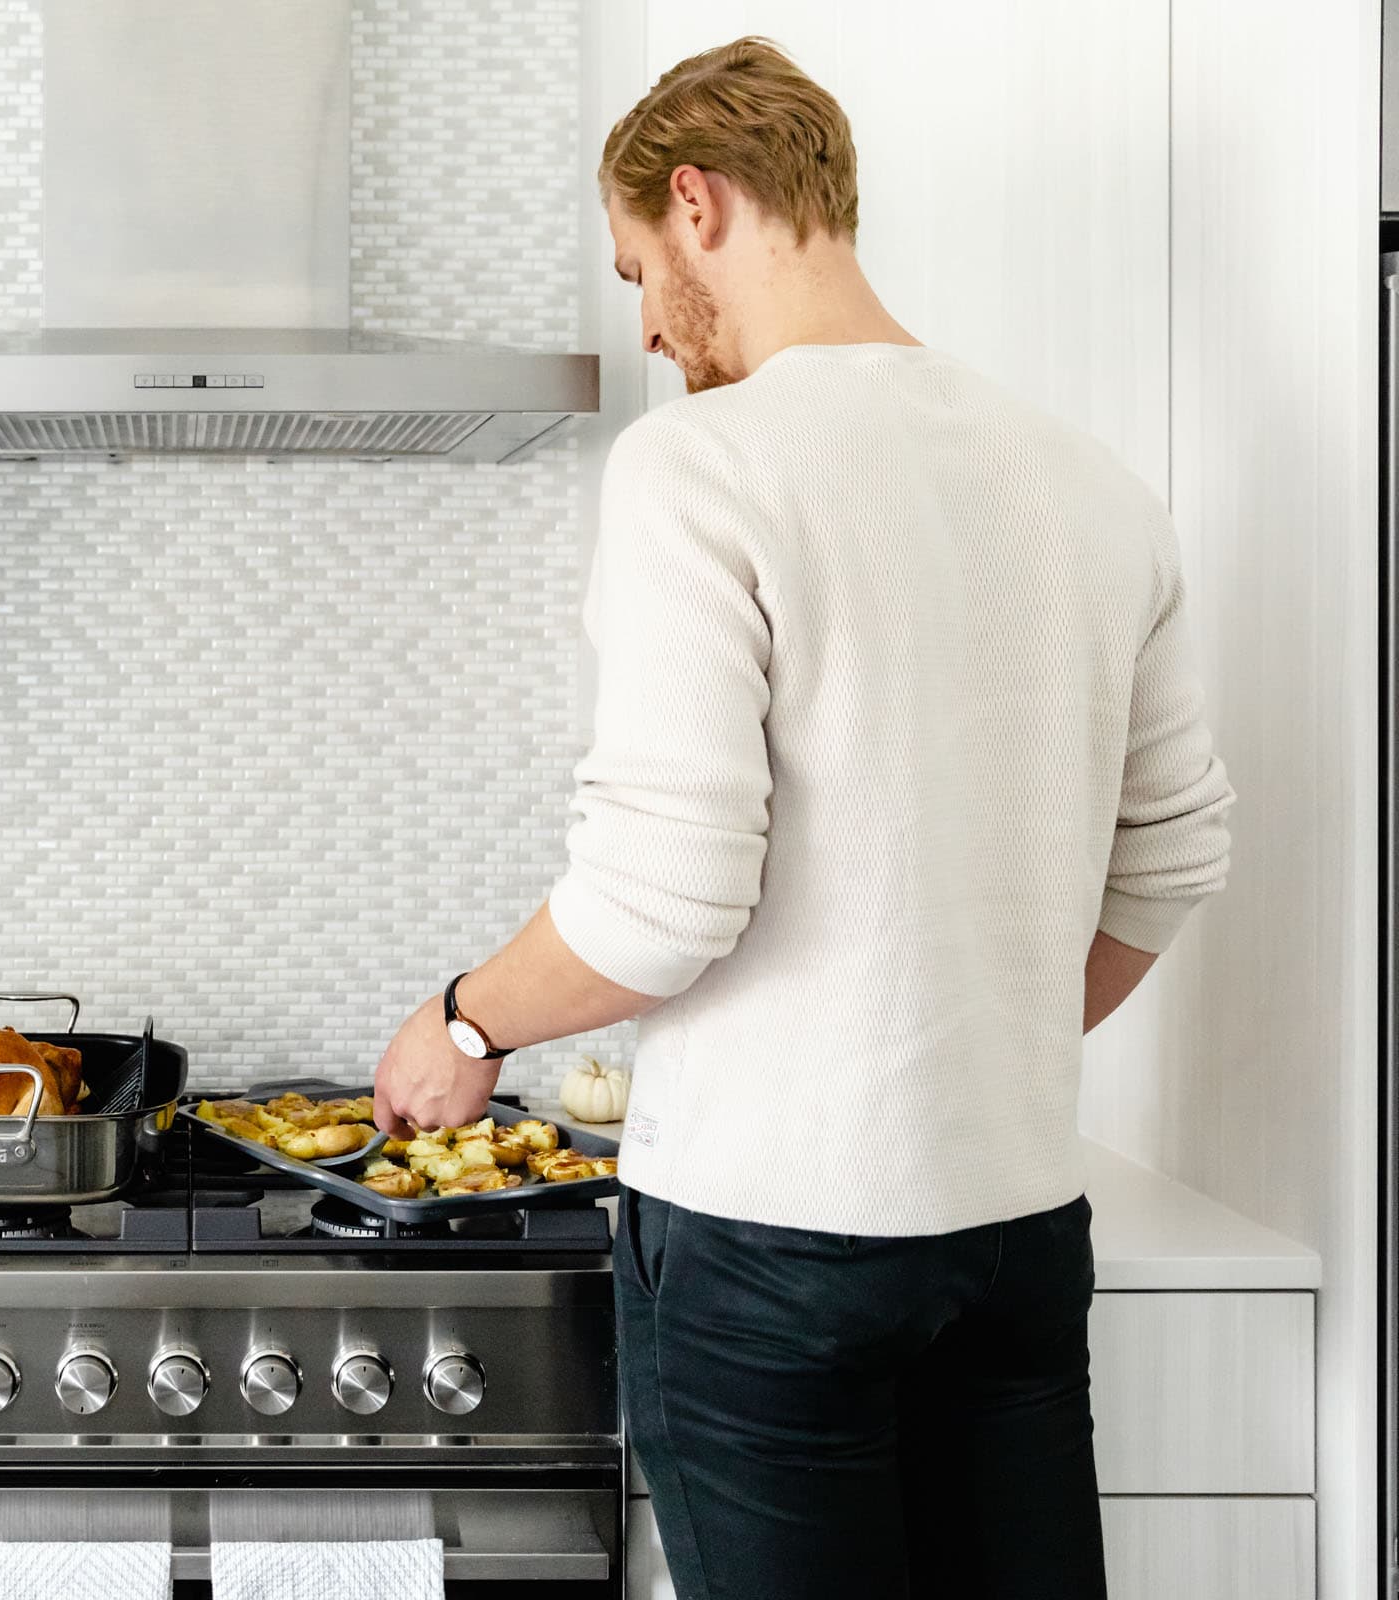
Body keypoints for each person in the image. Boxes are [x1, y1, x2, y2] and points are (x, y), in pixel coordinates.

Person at [370, 36, 1234, 1600]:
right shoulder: (1093, 483)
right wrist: (975, 1045)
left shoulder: (699, 467)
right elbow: (1171, 855)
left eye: (636, 269)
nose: (646, 324)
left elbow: (660, 901)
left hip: (770, 1253)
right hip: (1015, 1235)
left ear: (697, 204)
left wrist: (466, 1022)